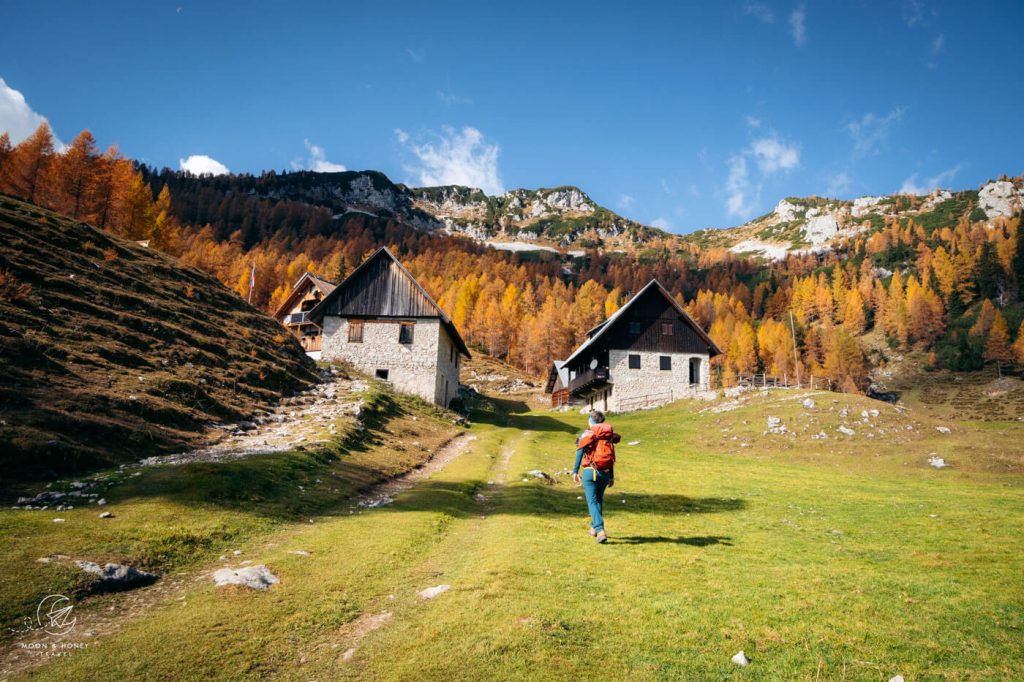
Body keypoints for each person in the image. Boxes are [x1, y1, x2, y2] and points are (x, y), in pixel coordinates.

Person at [572, 410, 621, 543]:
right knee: (598, 500)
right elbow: (610, 456)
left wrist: (575, 471)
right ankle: (593, 528)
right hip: (605, 473)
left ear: (591, 420)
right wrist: (611, 476)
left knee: (592, 502)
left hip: (590, 472)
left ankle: (600, 530)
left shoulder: (587, 434)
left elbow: (580, 452)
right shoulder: (607, 437)